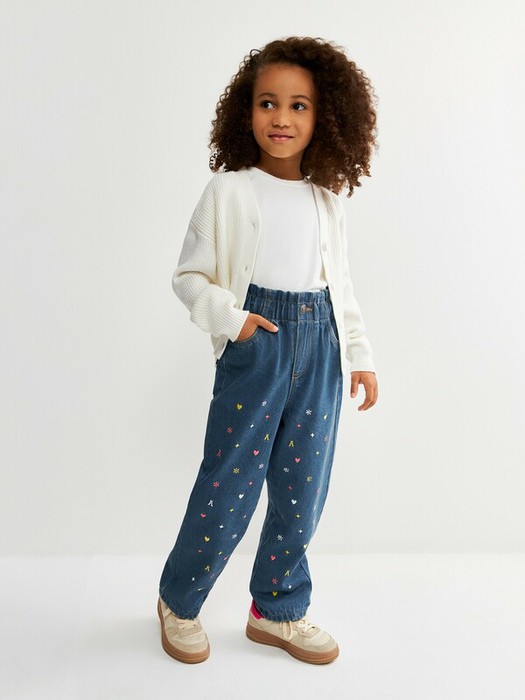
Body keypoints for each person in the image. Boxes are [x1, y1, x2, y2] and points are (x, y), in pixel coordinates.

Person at [158, 36, 379, 665]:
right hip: (258, 345)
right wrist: (235, 322)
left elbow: (341, 288)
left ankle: (276, 610)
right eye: (267, 103)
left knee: (302, 488)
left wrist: (359, 354)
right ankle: (178, 601)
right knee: (229, 482)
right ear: (245, 111)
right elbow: (189, 277)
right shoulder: (228, 191)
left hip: (322, 350)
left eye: (299, 105)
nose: (281, 118)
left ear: (325, 116)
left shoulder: (327, 201)